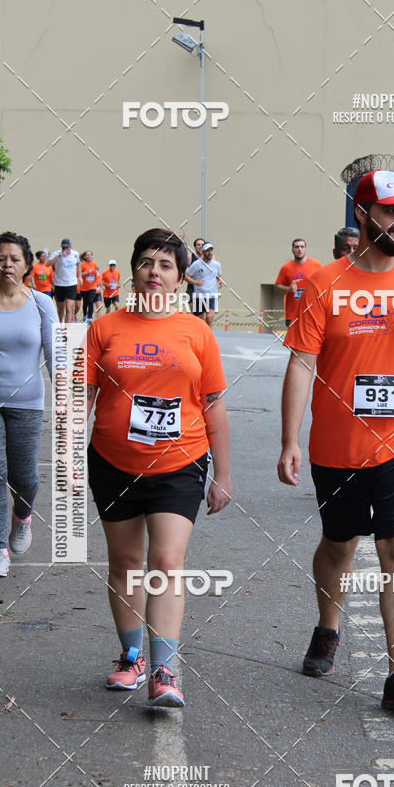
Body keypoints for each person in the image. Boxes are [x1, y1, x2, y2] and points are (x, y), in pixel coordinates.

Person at [277, 169, 394, 710]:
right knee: (339, 544)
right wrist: (289, 439)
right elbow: (301, 364)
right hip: (337, 445)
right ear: (361, 215)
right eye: (391, 211)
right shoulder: (324, 283)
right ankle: (329, 624)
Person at [86, 228, 231, 707]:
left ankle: (165, 669)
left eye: (166, 265)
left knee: (167, 562)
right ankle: (132, 658)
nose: (154, 271)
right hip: (113, 462)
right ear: (133, 271)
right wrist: (65, 458)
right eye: (147, 262)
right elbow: (81, 397)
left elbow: (213, 405)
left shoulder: (197, 331)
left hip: (180, 462)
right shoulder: (105, 328)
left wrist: (223, 475)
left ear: (180, 278)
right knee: (126, 564)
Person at [0, 232, 57, 577]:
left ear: (27, 264)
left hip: (27, 403)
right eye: (0, 258)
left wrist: (68, 402)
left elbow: (55, 354)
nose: (7, 264)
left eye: (14, 258)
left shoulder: (41, 303)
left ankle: (23, 516)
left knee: (24, 477)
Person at [275, 239, 322, 328]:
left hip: (311, 312)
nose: (299, 249)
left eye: (302, 247)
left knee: (309, 340)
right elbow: (277, 286)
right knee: (293, 341)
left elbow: (323, 282)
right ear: (292, 250)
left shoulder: (315, 264)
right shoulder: (286, 267)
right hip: (292, 313)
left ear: (306, 249)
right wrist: (288, 289)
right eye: (296, 247)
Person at [184, 243, 223, 327]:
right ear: (203, 252)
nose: (210, 253)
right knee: (199, 322)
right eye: (207, 251)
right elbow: (186, 276)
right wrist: (196, 282)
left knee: (209, 319)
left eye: (211, 250)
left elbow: (219, 276)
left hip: (212, 295)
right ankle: (200, 338)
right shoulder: (196, 264)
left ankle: (208, 339)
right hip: (199, 296)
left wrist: (220, 281)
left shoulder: (216, 264)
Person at [47, 237, 82, 323]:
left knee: (69, 307)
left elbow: (78, 264)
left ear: (70, 247)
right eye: (63, 247)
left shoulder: (75, 254)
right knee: (60, 307)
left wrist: (80, 276)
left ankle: (67, 328)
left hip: (71, 284)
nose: (65, 249)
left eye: (67, 247)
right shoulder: (56, 254)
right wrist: (58, 256)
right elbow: (48, 264)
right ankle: (61, 323)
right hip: (60, 284)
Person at [187, 238, 206, 317]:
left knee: (201, 316)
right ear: (195, 247)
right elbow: (186, 273)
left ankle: (202, 329)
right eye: (198, 245)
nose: (200, 246)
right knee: (194, 314)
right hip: (192, 288)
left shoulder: (209, 257)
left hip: (204, 289)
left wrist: (219, 280)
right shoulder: (190, 257)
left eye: (202, 245)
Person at [80, 250, 100, 322]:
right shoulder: (82, 265)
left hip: (92, 286)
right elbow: (79, 275)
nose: (89, 256)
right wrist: (86, 273)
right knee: (85, 302)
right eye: (87, 255)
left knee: (91, 301)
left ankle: (90, 317)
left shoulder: (94, 264)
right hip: (84, 287)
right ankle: (85, 315)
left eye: (90, 255)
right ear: (85, 257)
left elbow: (96, 271)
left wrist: (97, 274)